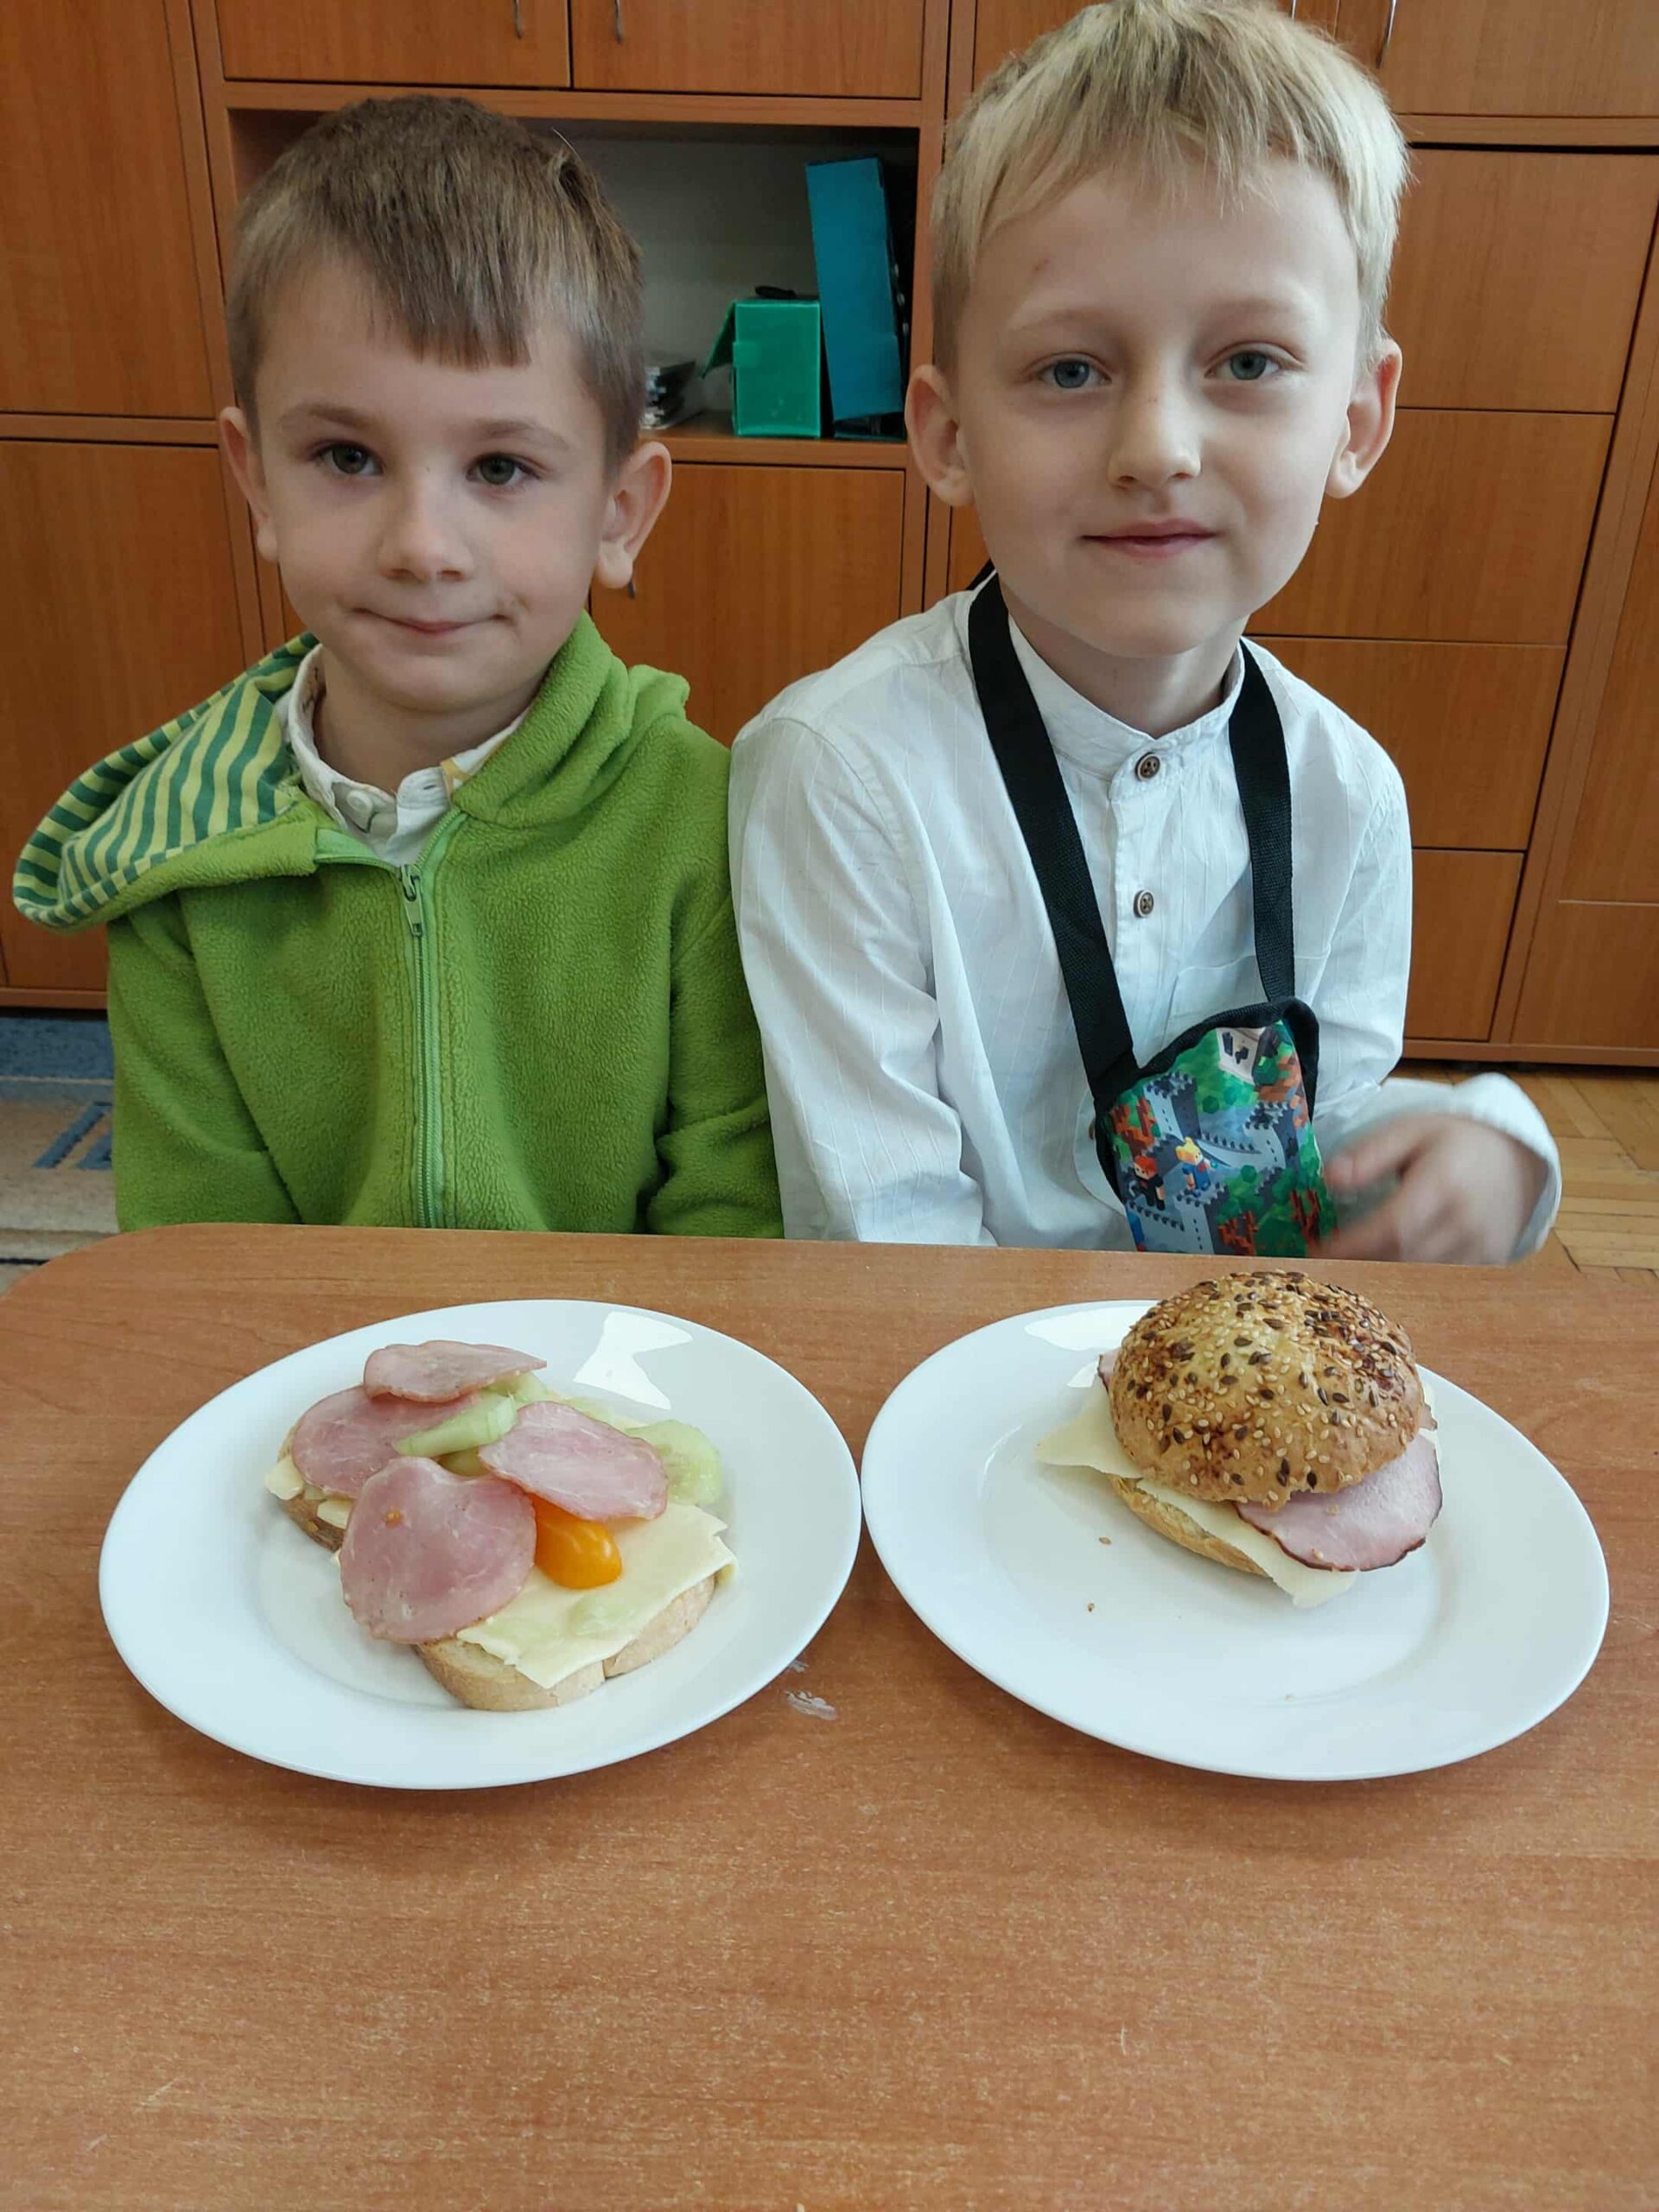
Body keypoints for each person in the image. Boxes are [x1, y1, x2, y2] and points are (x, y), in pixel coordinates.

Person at [729, 0, 1558, 1262]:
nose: (1159, 449)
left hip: (1238, 1357)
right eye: (1072, 371)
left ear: (1356, 421)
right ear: (948, 436)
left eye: (1249, 363)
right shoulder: (842, 774)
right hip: (949, 1364)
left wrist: (1483, 1140)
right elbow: (883, 1236)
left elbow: (1327, 1137)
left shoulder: (1349, 790)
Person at [15, 96, 780, 1238]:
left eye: (501, 468)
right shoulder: (176, 855)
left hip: (619, 1352)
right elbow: (198, 1256)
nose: (422, 546)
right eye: (347, 456)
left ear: (619, 513)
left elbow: (736, 1224)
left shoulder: (702, 822)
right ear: (257, 481)